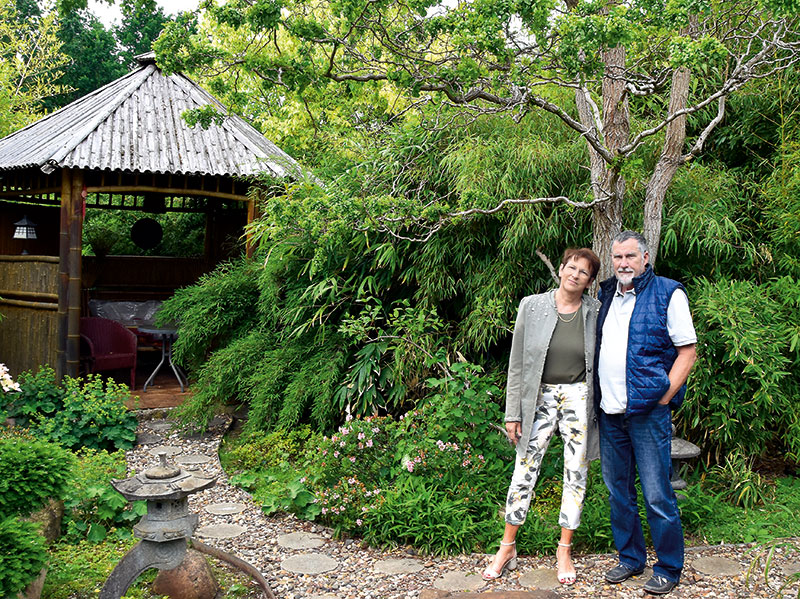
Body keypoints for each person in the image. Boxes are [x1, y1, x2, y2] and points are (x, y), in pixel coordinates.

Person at [483, 248, 601, 585]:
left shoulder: (594, 311)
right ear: (561, 269)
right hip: (538, 397)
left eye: (584, 272)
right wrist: (512, 412)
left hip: (579, 396)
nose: (575, 275)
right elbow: (517, 363)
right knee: (524, 469)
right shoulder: (531, 306)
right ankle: (506, 546)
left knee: (576, 472)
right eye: (571, 267)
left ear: (590, 281)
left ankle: (564, 548)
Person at [594, 230, 697, 596]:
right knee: (618, 492)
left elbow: (687, 351)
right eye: (618, 257)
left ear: (645, 257)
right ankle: (630, 558)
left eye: (630, 257)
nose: (623, 264)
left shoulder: (668, 292)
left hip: (648, 412)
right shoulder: (606, 293)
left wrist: (664, 397)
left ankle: (668, 567)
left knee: (657, 494)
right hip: (610, 412)